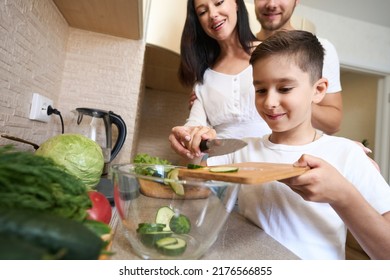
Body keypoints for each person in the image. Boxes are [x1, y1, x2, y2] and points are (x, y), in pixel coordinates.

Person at [201, 30, 390, 260]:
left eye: (284, 88)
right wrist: (193, 146)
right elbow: (196, 186)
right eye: (260, 90)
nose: (269, 102)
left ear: (318, 90)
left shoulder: (348, 154)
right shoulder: (241, 150)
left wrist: (342, 195)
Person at [169, 0, 271, 161]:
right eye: (202, 12)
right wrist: (185, 135)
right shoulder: (204, 77)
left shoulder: (271, 54)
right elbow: (194, 124)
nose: (213, 14)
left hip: (271, 165)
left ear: (237, 3)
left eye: (219, 2)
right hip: (222, 174)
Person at [254, 0, 342, 135]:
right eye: (260, 90)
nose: (271, 4)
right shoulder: (229, 51)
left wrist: (298, 98)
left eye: (285, 88)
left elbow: (333, 124)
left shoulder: (320, 49)